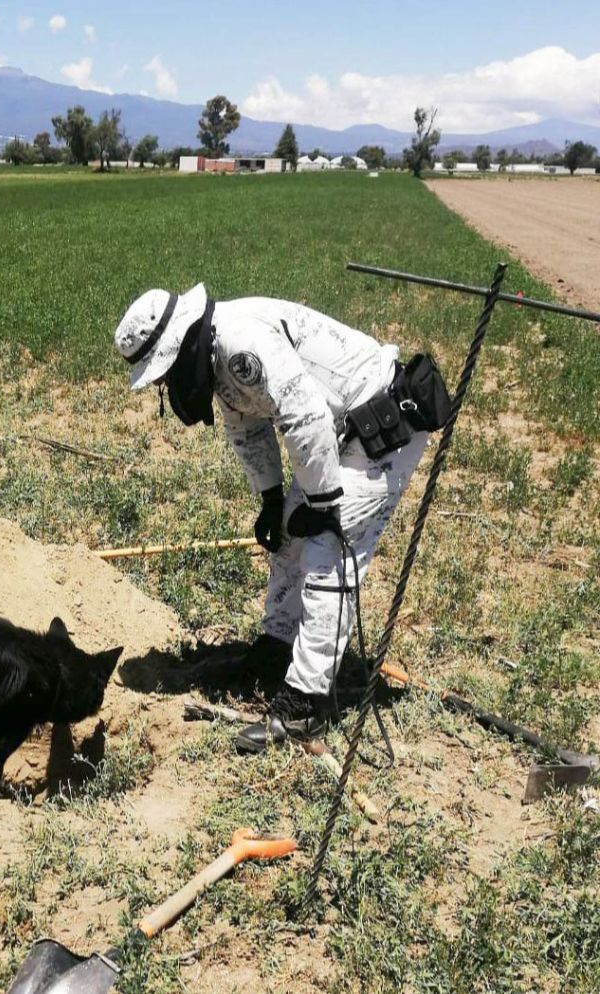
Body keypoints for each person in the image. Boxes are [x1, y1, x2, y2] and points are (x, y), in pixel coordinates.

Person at [113, 283, 438, 750]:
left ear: (180, 344)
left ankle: (307, 702)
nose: (167, 386)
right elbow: (246, 425)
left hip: (380, 422)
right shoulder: (215, 354)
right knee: (289, 539)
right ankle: (277, 649)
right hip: (340, 432)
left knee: (329, 556)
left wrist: (324, 505)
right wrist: (270, 498)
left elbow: (306, 418)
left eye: (165, 373)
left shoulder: (240, 343)